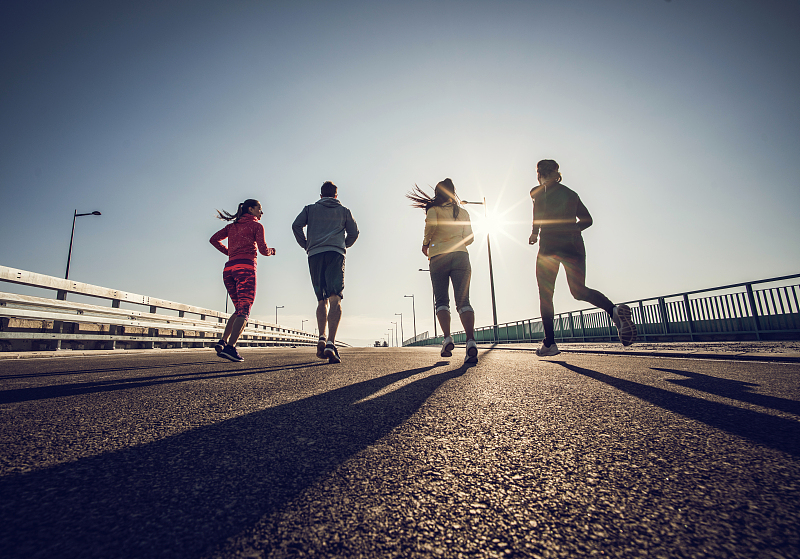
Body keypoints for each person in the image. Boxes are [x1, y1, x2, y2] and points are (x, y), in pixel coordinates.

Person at [529, 159, 636, 357]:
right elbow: (587, 220)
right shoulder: (571, 194)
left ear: (540, 174)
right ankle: (614, 311)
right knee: (578, 291)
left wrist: (534, 233)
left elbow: (538, 214)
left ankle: (550, 343)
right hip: (574, 245)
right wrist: (571, 230)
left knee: (546, 294)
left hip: (549, 248)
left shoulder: (538, 192)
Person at [407, 178, 479, 364]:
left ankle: (447, 338)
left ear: (438, 193)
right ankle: (471, 341)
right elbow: (470, 238)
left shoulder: (434, 210)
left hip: (439, 257)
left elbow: (430, 227)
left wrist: (425, 245)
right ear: (453, 193)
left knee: (441, 301)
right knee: (464, 301)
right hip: (461, 256)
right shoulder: (462, 212)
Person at [292, 181, 359, 364]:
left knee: (321, 300)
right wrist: (343, 244)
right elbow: (354, 232)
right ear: (336, 196)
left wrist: (306, 244)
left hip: (314, 255)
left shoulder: (310, 209)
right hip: (335, 254)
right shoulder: (344, 211)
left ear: (321, 195)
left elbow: (296, 226)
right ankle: (330, 342)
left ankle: (321, 336)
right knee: (335, 298)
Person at [209, 199, 276, 362]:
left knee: (239, 309)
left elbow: (213, 239)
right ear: (251, 209)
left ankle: (223, 341)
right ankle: (231, 348)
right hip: (245, 269)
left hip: (229, 270)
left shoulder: (231, 227)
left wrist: (230, 253)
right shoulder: (256, 226)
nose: (262, 212)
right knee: (244, 311)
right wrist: (272, 251)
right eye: (260, 209)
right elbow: (262, 250)